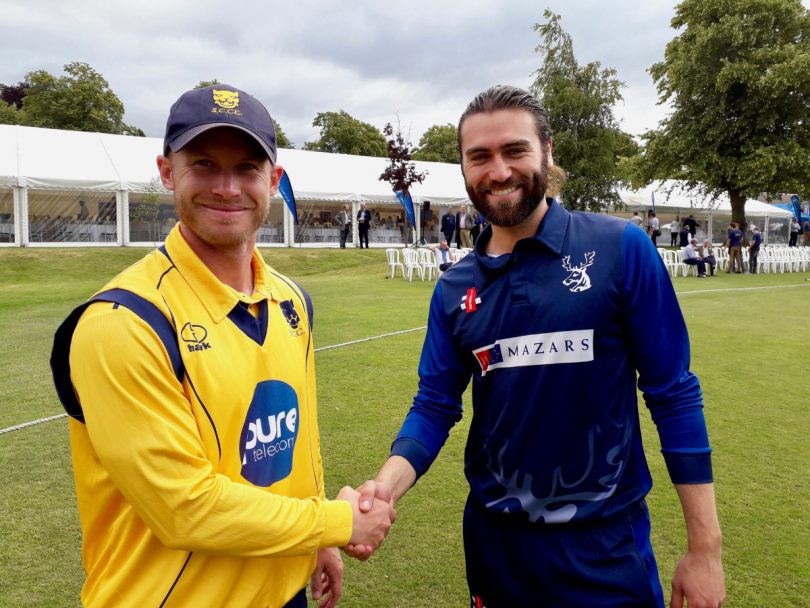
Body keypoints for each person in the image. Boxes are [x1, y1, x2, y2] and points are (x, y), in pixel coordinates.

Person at [349, 85, 724, 608]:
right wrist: (385, 486)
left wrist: (704, 548)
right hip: (495, 547)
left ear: (547, 151)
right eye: (479, 156)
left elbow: (674, 395)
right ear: (464, 169)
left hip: (604, 549)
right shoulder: (454, 288)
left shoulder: (619, 249)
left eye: (514, 150)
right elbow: (434, 405)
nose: (498, 171)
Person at [49, 84, 395, 608]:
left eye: (248, 168)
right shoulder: (123, 323)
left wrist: (317, 540)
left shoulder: (290, 299)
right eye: (205, 164)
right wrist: (338, 522)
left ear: (274, 181)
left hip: (284, 592)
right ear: (168, 172)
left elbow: (299, 442)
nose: (228, 188)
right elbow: (186, 509)